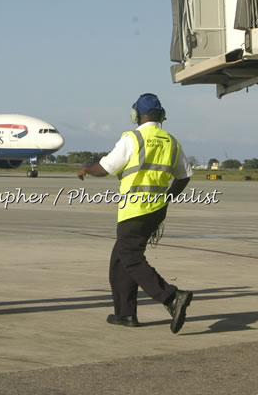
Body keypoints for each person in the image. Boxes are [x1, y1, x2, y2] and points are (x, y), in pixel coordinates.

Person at [77, 93, 194, 333]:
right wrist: (166, 199)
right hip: (156, 210)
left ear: (135, 115)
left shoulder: (133, 138)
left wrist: (87, 168)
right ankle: (125, 314)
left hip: (135, 210)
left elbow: (106, 168)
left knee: (130, 258)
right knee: (119, 261)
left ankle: (171, 297)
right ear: (161, 115)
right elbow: (184, 176)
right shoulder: (171, 141)